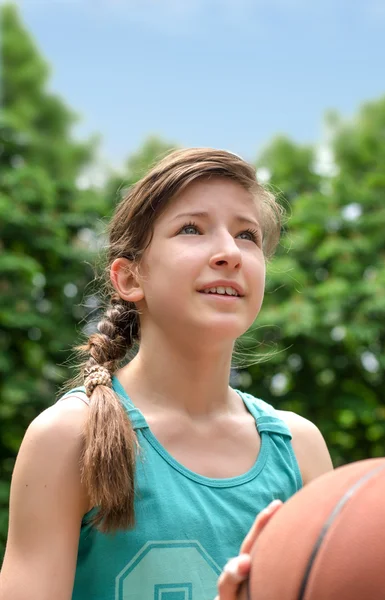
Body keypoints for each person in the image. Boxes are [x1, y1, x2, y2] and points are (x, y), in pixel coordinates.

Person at [0, 148, 333, 600]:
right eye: (192, 228)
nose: (229, 253)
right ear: (130, 278)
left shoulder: (301, 449)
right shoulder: (68, 437)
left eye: (247, 235)